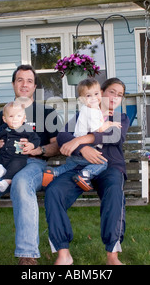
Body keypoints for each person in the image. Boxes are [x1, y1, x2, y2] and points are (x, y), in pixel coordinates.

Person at [0, 65, 60, 265]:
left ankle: (27, 255)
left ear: (35, 86)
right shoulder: (1, 116)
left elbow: (57, 147)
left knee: (21, 183)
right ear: (13, 84)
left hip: (33, 164)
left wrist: (37, 150)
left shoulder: (47, 113)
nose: (24, 84)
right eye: (20, 80)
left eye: (29, 80)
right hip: (2, 163)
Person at [44, 78, 129, 265]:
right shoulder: (84, 114)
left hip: (110, 167)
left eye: (120, 95)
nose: (115, 97)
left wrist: (80, 140)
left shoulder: (120, 118)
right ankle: (63, 253)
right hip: (80, 167)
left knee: (114, 192)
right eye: (111, 92)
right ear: (101, 93)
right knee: (53, 192)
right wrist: (83, 149)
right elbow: (63, 136)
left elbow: (114, 136)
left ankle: (112, 256)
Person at [42, 78, 121, 191]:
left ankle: (53, 172)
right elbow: (96, 130)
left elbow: (95, 119)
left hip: (76, 151)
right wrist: (109, 124)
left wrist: (104, 113)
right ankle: (85, 175)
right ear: (82, 100)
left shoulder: (89, 109)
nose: (93, 98)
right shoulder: (91, 111)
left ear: (101, 93)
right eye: (88, 96)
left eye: (96, 94)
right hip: (86, 148)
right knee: (102, 163)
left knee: (70, 166)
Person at [0, 101, 41, 193]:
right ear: (5, 119)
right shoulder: (3, 129)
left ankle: (7, 181)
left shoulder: (26, 129)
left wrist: (31, 145)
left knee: (18, 164)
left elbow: (36, 139)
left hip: (17, 157)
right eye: (11, 116)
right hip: (2, 157)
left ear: (24, 118)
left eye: (18, 116)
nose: (15, 119)